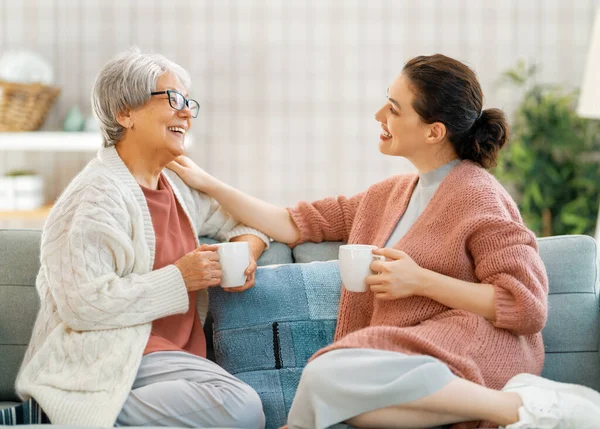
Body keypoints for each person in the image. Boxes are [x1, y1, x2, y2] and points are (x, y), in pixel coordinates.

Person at [166, 54, 600, 429]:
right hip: (407, 361)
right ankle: (517, 409)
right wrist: (207, 182)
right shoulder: (388, 195)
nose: (379, 116)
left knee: (328, 376)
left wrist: (420, 281)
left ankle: (524, 406)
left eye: (393, 108)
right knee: (343, 395)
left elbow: (527, 306)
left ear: (433, 131)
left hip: (475, 347)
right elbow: (293, 224)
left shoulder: (481, 196)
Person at [0, 48, 268, 429]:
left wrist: (244, 254)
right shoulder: (95, 197)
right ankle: (77, 412)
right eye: (173, 99)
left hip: (167, 364)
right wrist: (182, 277)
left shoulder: (178, 188)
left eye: (189, 102)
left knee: (243, 406)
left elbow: (249, 223)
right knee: (242, 406)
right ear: (125, 112)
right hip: (108, 359)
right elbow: (84, 305)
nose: (187, 112)